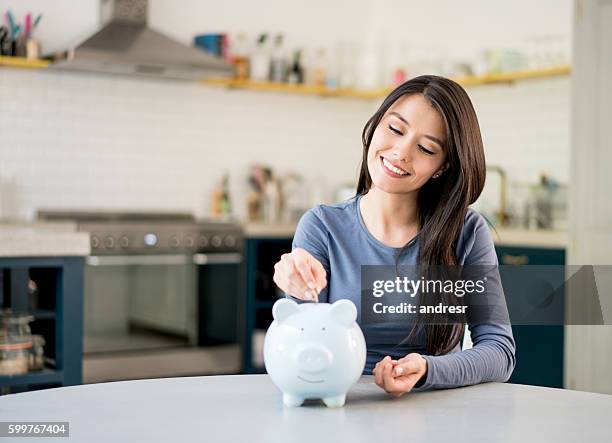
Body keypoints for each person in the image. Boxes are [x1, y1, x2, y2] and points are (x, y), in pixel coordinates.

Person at [272, 75, 516, 397]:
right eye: (395, 129)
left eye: (426, 148)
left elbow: (500, 351)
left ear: (442, 167)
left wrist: (428, 370)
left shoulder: (466, 233)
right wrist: (295, 283)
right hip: (342, 401)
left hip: (439, 409)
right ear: (376, 125)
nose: (401, 152)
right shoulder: (322, 226)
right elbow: (303, 340)